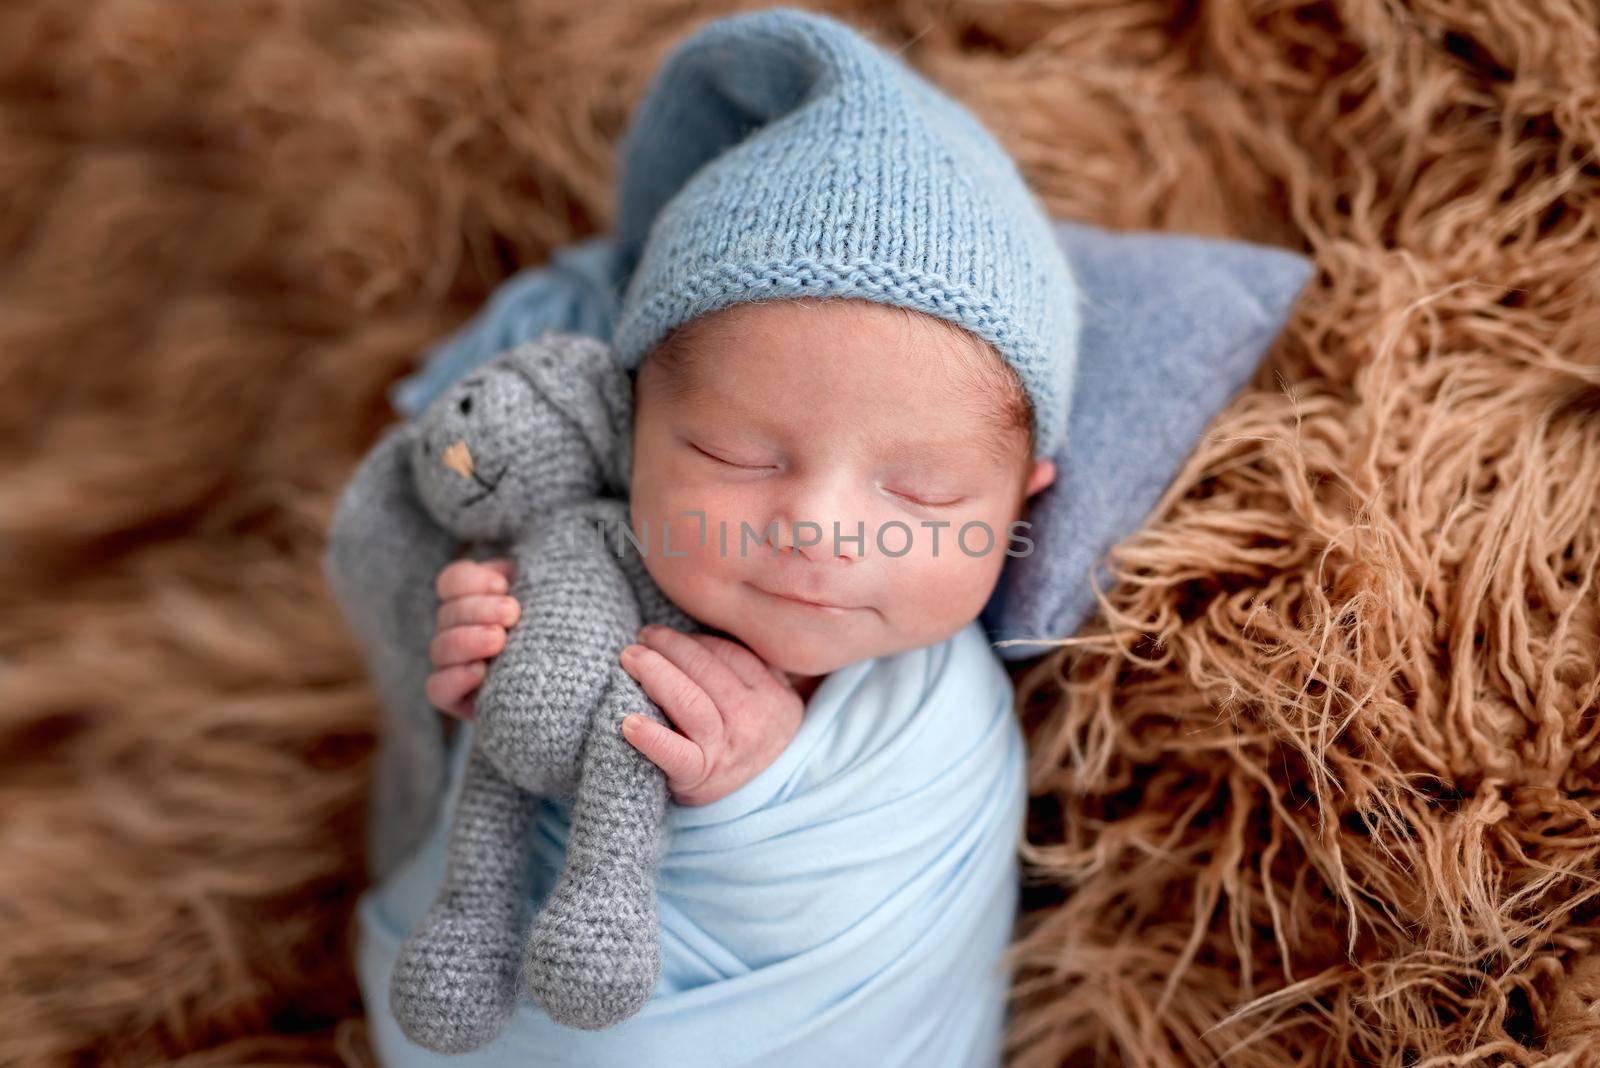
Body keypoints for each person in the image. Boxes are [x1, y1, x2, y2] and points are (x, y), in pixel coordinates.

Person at [346, 7, 1082, 1065]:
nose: (820, 532)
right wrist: (483, 691)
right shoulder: (567, 571)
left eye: (923, 494)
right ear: (630, 424)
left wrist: (756, 790)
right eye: (739, 457)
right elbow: (489, 796)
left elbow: (903, 929)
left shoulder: (939, 716)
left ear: (1021, 500)